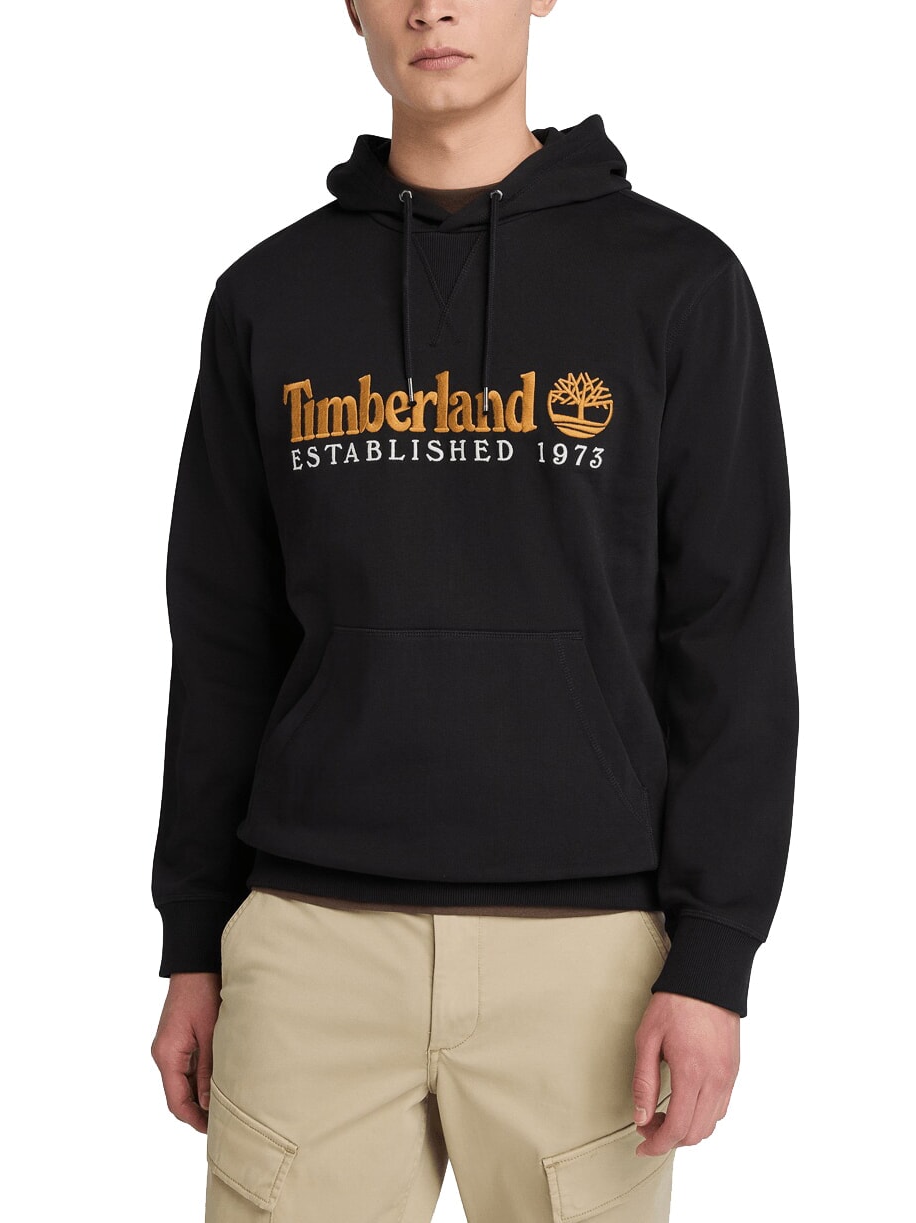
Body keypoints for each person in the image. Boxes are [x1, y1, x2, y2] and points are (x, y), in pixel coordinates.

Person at [149, 2, 799, 1220]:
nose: (433, 7)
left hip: (590, 958)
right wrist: (192, 938)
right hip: (311, 946)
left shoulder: (679, 284)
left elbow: (732, 642)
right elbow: (224, 642)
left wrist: (716, 954)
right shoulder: (268, 295)